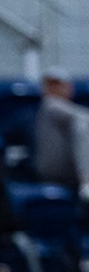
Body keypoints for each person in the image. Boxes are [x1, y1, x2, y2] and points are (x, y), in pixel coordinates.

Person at [35, 67, 89, 200]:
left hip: (69, 173)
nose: (54, 89)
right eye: (50, 84)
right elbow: (83, 117)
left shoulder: (69, 109)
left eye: (58, 84)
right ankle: (86, 181)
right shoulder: (50, 104)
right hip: (53, 172)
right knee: (81, 123)